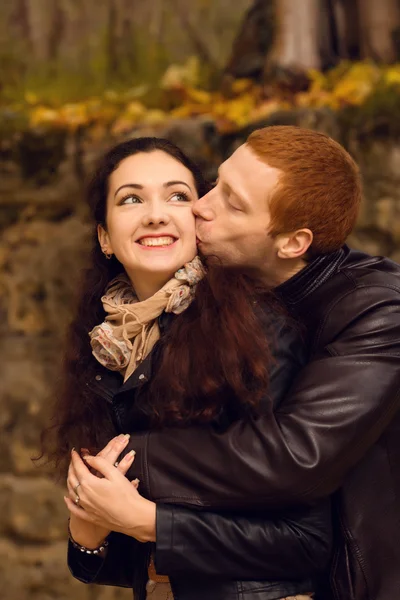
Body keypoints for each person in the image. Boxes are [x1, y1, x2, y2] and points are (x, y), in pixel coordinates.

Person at [111, 127, 400, 600]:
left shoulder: (377, 310)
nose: (200, 206)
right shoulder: (211, 293)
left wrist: (127, 457)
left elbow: (295, 455)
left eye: (233, 203)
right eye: (215, 184)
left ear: (292, 243)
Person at [45, 137, 333, 600]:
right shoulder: (109, 347)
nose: (156, 213)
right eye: (131, 198)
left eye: (178, 195)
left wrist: (145, 521)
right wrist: (88, 532)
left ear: (199, 220)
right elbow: (141, 563)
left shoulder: (253, 331)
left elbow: (304, 542)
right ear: (104, 236)